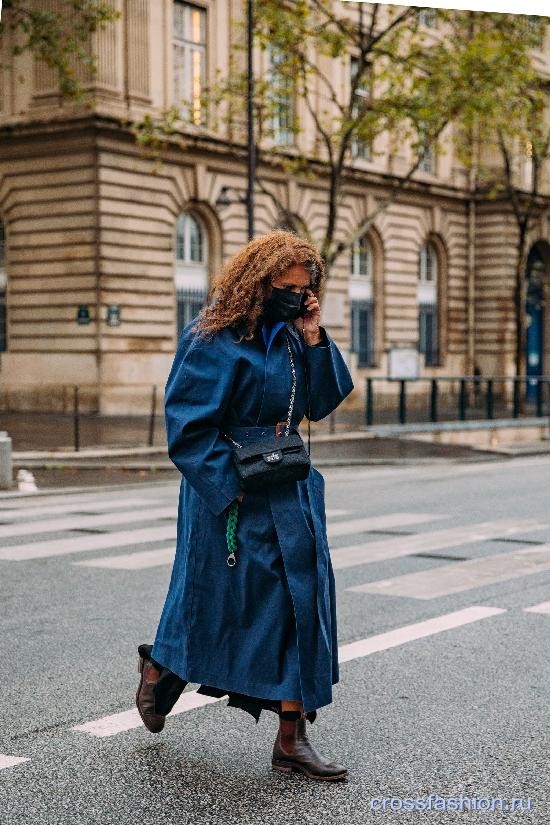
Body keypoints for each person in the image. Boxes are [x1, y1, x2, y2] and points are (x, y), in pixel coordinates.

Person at [136, 230, 354, 782]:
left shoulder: (290, 338)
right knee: (213, 606)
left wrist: (312, 336)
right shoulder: (213, 337)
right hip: (231, 498)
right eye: (287, 290)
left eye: (305, 291)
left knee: (298, 606)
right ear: (259, 284)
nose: (297, 298)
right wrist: (228, 490)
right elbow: (187, 427)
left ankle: (291, 737)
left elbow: (322, 404)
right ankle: (162, 665)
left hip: (289, 488)